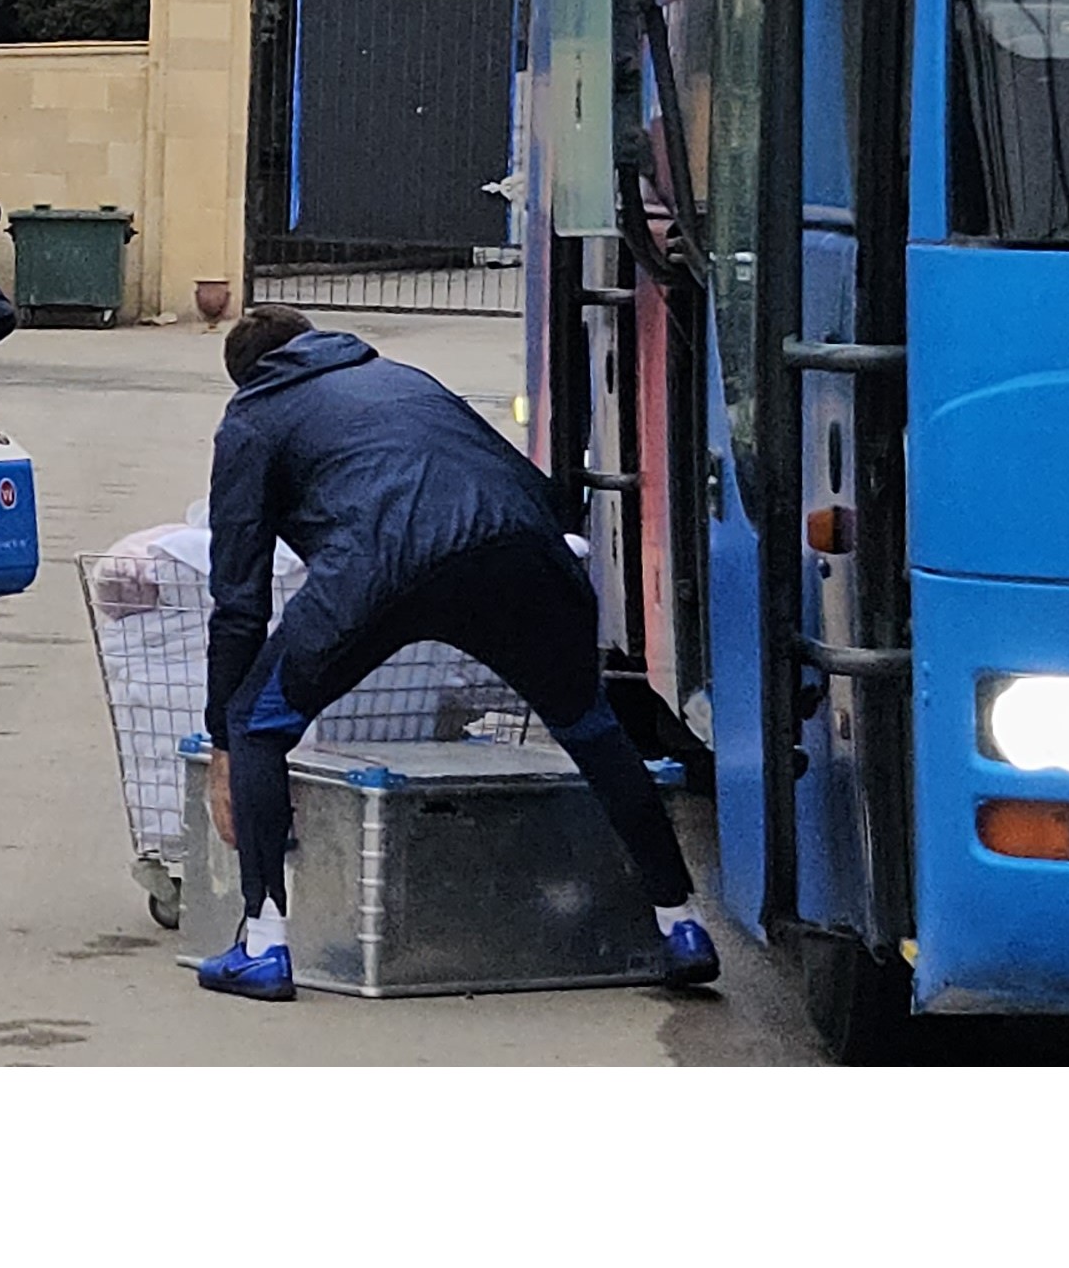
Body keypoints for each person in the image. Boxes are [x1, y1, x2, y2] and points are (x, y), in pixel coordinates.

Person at [195, 303, 720, 1001]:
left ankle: (262, 947)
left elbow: (239, 598)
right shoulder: (406, 379)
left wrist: (220, 737)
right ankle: (680, 923)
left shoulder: (252, 419)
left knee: (257, 723)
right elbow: (532, 488)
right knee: (593, 729)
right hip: (521, 556)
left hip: (375, 569)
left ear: (245, 378)